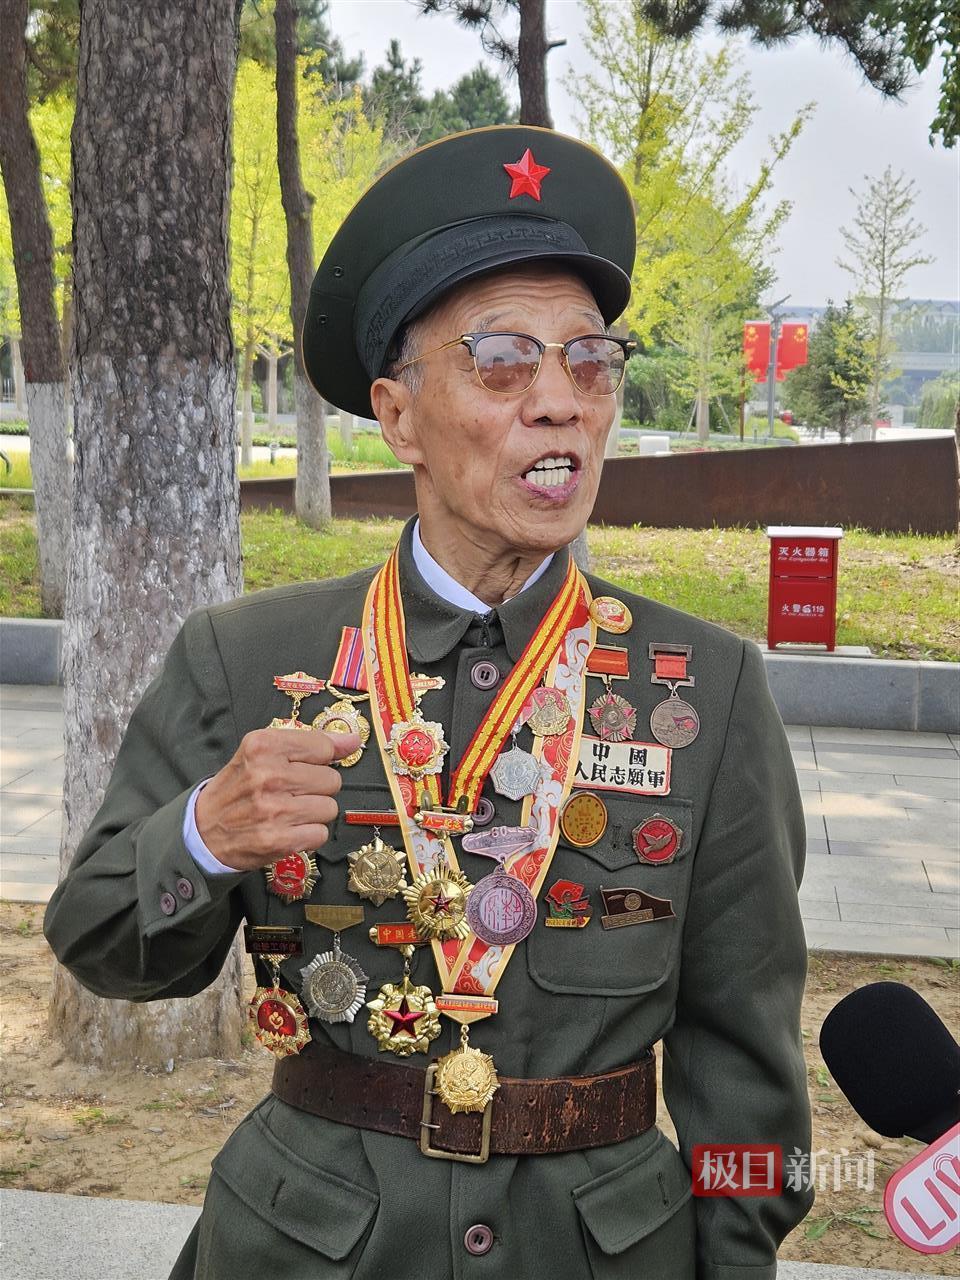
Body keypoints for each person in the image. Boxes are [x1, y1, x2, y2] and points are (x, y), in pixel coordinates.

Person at [44, 125, 813, 1279]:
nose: (559, 402)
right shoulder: (246, 659)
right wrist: (206, 831)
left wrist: (732, 1264)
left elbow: (747, 1061)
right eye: (502, 360)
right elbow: (100, 941)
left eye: (590, 360)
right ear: (399, 415)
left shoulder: (709, 685)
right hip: (310, 1246)